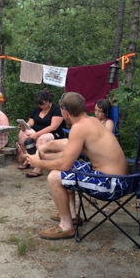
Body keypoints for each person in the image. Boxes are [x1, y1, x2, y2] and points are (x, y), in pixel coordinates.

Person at [27, 92, 127, 240]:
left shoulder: (79, 128)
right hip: (122, 179)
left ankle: (66, 227)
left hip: (111, 184)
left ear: (65, 112)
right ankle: (72, 216)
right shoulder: (92, 121)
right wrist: (45, 150)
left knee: (55, 176)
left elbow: (65, 164)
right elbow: (68, 146)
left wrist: (38, 163)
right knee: (73, 167)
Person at [16, 89, 66, 178]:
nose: (40, 106)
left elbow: (53, 127)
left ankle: (38, 167)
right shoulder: (37, 110)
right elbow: (31, 121)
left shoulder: (57, 110)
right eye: (39, 104)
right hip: (37, 131)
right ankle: (28, 157)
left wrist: (36, 134)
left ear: (48, 101)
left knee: (41, 139)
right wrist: (26, 125)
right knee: (22, 133)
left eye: (42, 104)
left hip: (54, 133)